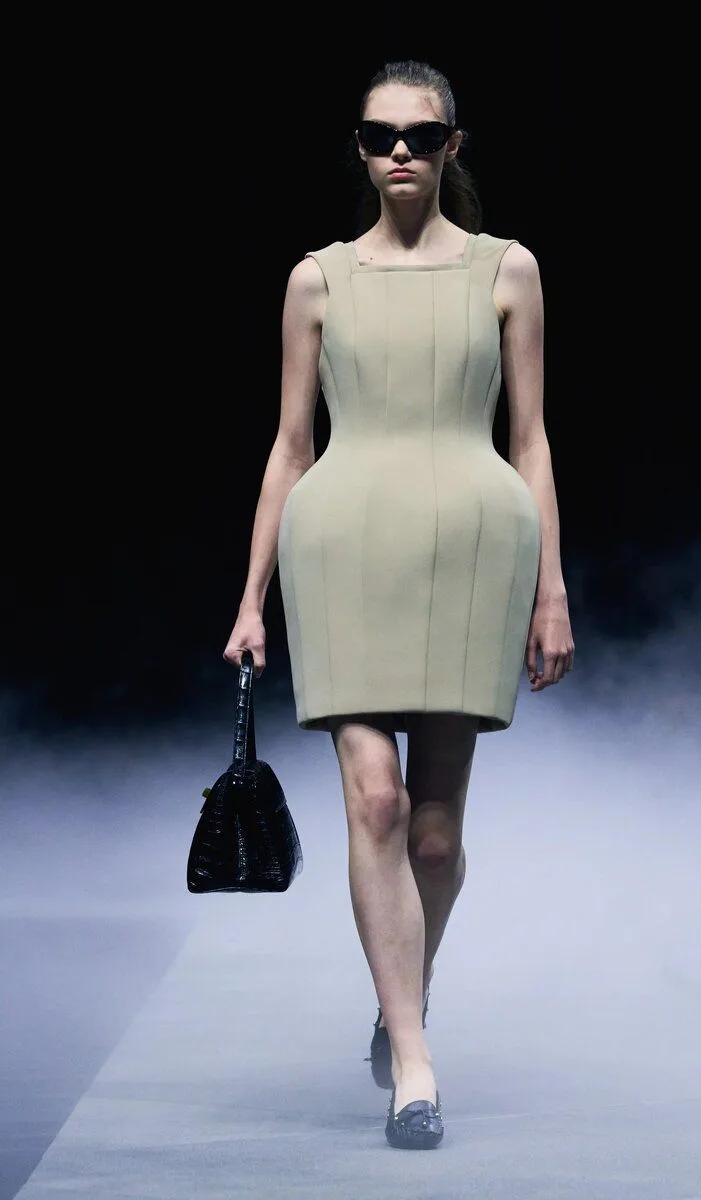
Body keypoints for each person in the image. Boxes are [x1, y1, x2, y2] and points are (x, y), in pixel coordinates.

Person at [223, 58, 575, 1150]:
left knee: (432, 833)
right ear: (361, 150)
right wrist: (251, 598)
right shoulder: (317, 280)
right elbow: (291, 446)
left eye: (421, 136)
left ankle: (399, 1002)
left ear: (452, 145)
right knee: (375, 803)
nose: (400, 154)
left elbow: (529, 440)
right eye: (380, 137)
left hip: (471, 548)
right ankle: (414, 1064)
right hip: (342, 543)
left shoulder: (506, 270)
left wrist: (552, 589)